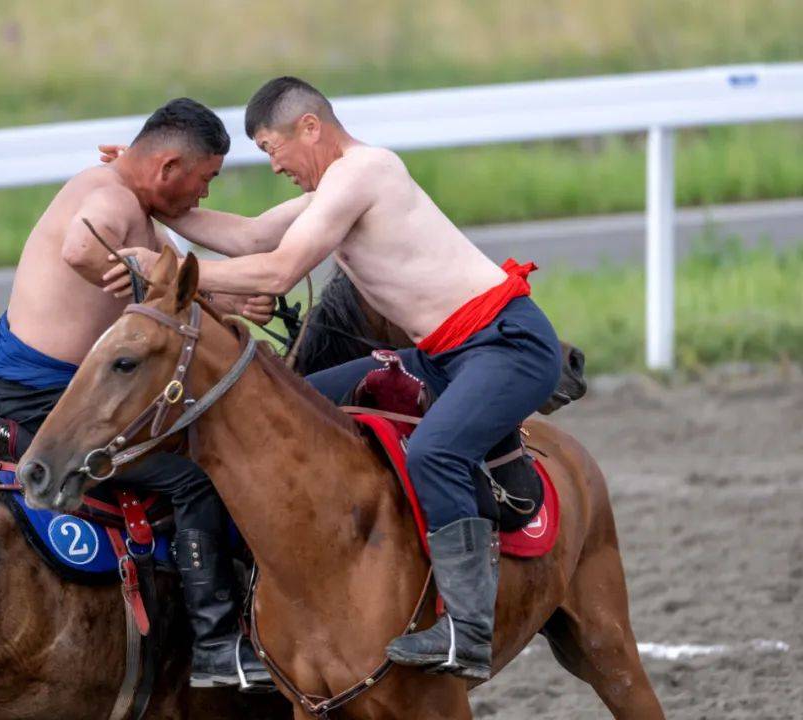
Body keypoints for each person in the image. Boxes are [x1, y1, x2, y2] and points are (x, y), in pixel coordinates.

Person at [102, 77, 562, 681]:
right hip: (442, 356)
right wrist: (155, 199)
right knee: (298, 407)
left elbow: (277, 271)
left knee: (433, 453)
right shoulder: (339, 186)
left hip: (507, 346)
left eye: (273, 149)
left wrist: (165, 268)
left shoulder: (364, 173)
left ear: (310, 128)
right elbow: (249, 236)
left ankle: (467, 634)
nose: (275, 166)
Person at [0, 97, 276, 690]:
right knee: (196, 477)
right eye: (205, 179)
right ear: (167, 169)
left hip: (72, 391)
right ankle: (216, 643)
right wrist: (138, 272)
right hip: (55, 402)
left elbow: (159, 294)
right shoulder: (111, 198)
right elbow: (83, 249)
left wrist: (228, 302)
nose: (205, 195)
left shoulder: (120, 192)